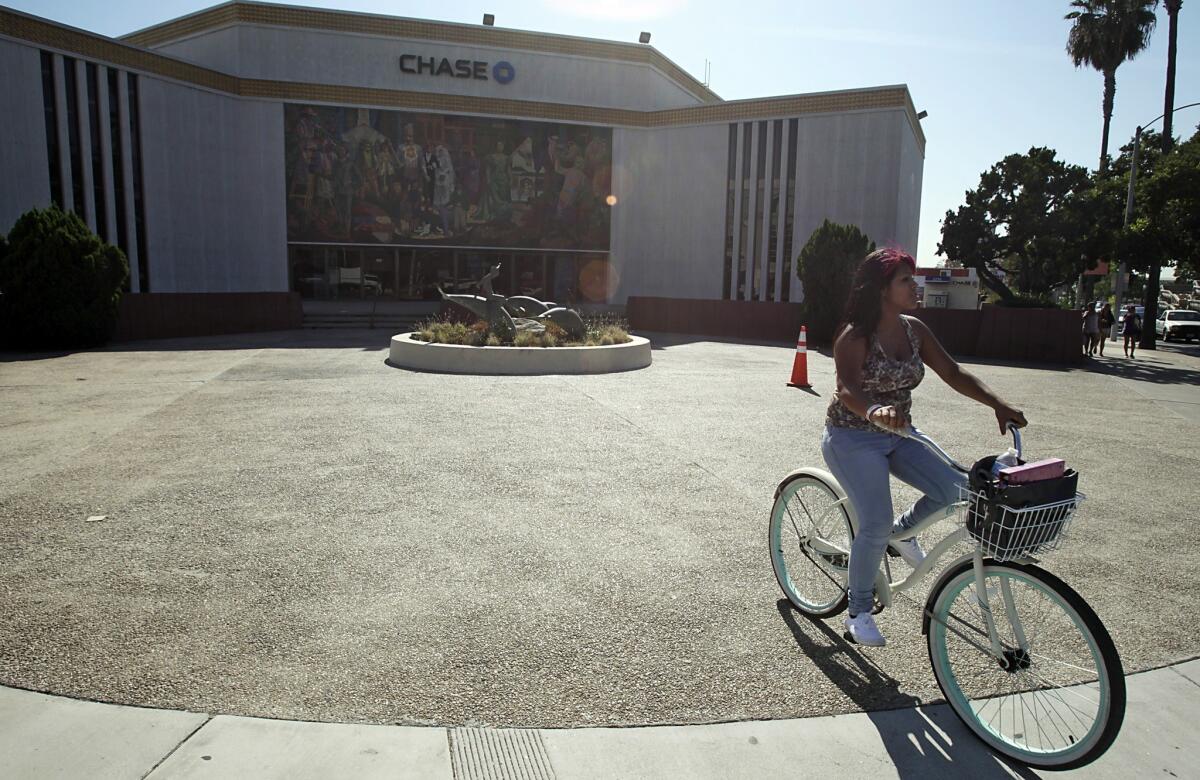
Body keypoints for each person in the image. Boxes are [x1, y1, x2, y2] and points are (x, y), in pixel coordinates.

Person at [823, 248, 1027, 647]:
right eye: (904, 280)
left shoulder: (914, 329)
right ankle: (858, 610)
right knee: (874, 522)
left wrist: (996, 403)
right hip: (852, 436)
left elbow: (952, 371)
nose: (913, 286)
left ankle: (901, 533)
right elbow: (846, 389)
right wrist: (875, 410)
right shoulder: (855, 335)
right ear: (882, 288)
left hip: (899, 433)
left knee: (958, 490)